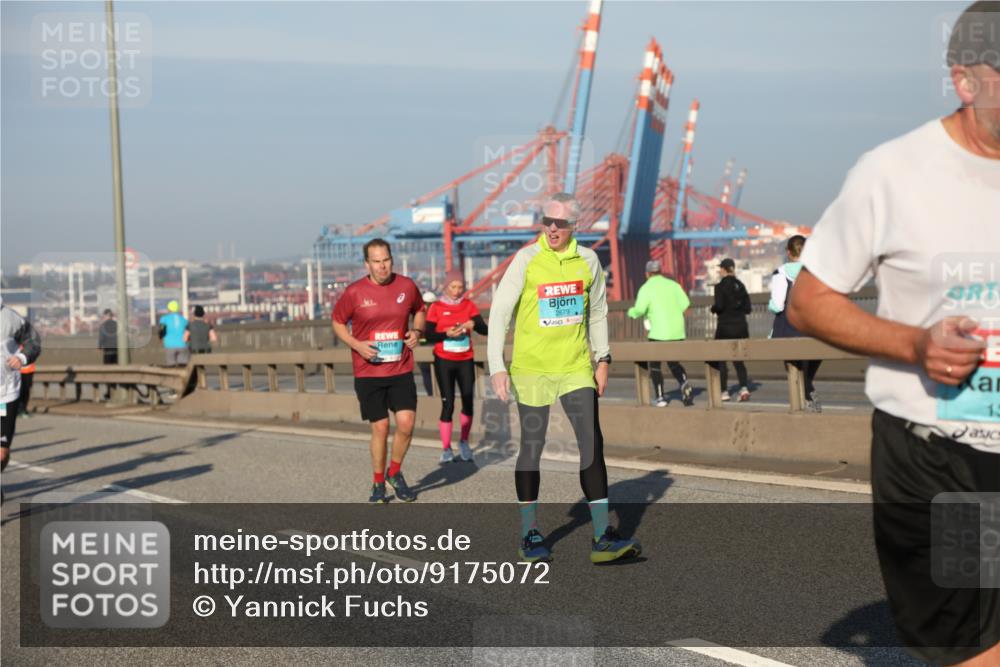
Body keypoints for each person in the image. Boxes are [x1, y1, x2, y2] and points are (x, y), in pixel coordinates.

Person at [787, 4, 999, 664]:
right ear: (965, 81)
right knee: (977, 647)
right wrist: (916, 344)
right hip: (950, 457)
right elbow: (810, 300)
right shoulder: (894, 173)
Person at [488, 192, 641, 564]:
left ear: (576, 226)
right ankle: (530, 533)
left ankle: (602, 536)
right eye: (548, 221)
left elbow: (599, 312)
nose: (553, 228)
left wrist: (603, 359)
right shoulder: (526, 259)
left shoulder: (588, 261)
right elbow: (499, 313)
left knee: (592, 442)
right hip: (533, 369)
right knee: (533, 445)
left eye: (561, 223)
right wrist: (497, 364)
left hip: (575, 367)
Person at [332, 238, 426, 504]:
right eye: (376, 261)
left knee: (406, 425)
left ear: (391, 260)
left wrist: (417, 332)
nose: (382, 266)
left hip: (400, 367)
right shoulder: (354, 292)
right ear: (367, 264)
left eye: (386, 260)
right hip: (368, 372)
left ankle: (394, 473)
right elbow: (338, 322)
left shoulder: (406, 286)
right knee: (381, 428)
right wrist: (356, 344)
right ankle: (377, 483)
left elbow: (420, 310)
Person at [425, 270, 488, 463]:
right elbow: (428, 335)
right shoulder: (435, 307)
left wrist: (473, 325)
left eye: (460, 287)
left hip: (465, 359)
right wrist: (447, 335)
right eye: (453, 287)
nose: (456, 291)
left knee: (468, 401)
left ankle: (464, 442)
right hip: (444, 360)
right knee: (449, 403)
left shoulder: (469, 305)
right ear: (446, 287)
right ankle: (446, 448)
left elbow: (484, 330)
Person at [627, 259, 694, 407]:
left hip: (658, 333)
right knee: (674, 363)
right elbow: (685, 304)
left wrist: (630, 312)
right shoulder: (674, 285)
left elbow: (639, 310)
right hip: (677, 332)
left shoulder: (646, 288)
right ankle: (684, 382)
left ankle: (660, 398)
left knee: (655, 366)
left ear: (648, 273)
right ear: (660, 271)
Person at [769, 235, 822, 412]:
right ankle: (808, 389)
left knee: (793, 369)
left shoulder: (781, 273)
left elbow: (777, 305)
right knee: (810, 363)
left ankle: (802, 401)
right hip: (811, 327)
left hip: (788, 326)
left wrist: (771, 306)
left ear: (788, 252)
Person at [1, 297, 42, 480]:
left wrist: (22, 358)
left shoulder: (10, 318)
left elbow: (34, 341)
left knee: (2, 453)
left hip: (5, 395)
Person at [709, 258, 752, 401]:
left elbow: (719, 306)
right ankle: (744, 388)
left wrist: (713, 308)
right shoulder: (741, 285)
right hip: (740, 327)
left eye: (720, 268)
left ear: (724, 269)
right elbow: (748, 309)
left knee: (721, 360)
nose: (719, 270)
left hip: (725, 328)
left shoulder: (719, 287)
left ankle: (724, 392)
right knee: (738, 359)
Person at [158, 300, 189, 367]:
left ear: (169, 309)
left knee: (170, 365)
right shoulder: (184, 319)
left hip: (169, 345)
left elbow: (162, 330)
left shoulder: (164, 319)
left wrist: (160, 338)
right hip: (183, 345)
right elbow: (188, 331)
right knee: (183, 366)